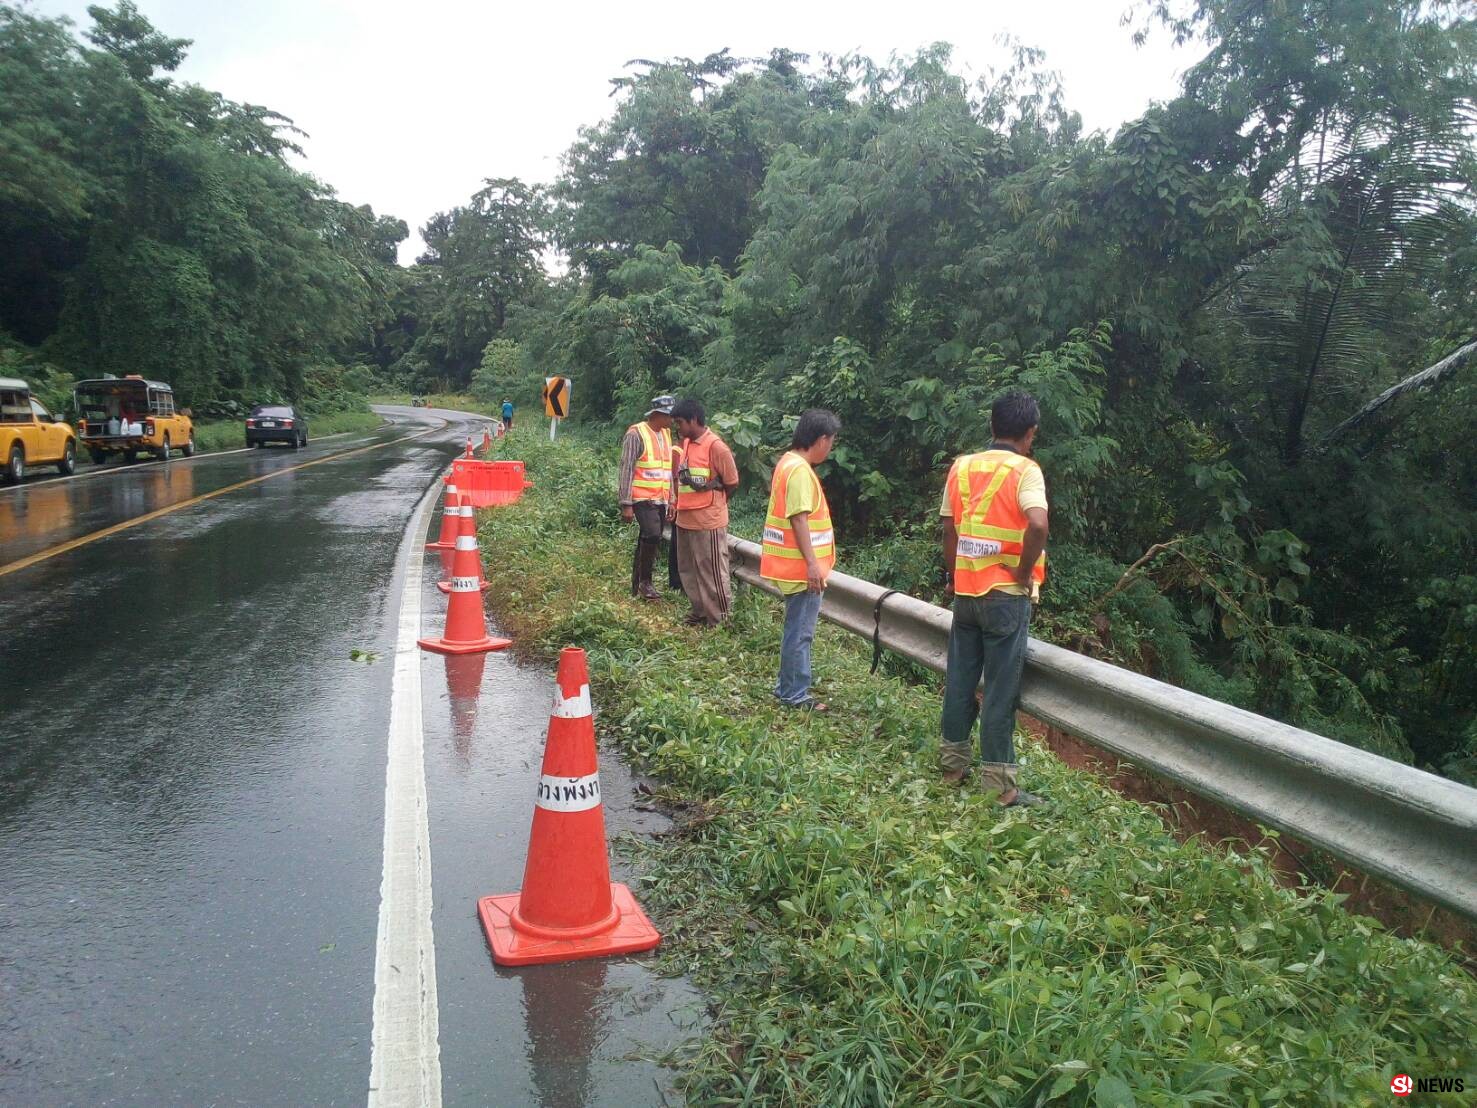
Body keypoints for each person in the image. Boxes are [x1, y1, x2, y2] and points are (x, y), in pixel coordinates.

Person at [938, 390, 1049, 805]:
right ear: (1030, 432)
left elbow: (949, 531)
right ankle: (1000, 789)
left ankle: (952, 766)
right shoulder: (1027, 470)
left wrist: (953, 576)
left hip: (965, 592)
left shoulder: (962, 467)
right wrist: (1022, 573)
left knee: (960, 682)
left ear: (992, 426)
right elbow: (1037, 524)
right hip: (1005, 597)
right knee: (1000, 692)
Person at [760, 409, 841, 710]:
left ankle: (787, 687)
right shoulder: (800, 471)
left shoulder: (787, 462)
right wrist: (812, 565)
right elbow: (799, 519)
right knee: (801, 634)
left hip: (793, 566)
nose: (830, 449)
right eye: (830, 442)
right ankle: (795, 694)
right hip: (801, 569)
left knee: (795, 630)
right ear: (821, 440)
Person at [671, 399, 740, 627]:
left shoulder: (716, 446)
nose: (677, 428)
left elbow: (731, 482)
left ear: (693, 420)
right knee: (688, 570)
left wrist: (716, 504)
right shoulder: (687, 443)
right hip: (685, 519)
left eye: (680, 422)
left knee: (712, 573)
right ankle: (700, 612)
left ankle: (720, 620)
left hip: (707, 521)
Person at [617, 396, 676, 600]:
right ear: (658, 415)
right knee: (652, 535)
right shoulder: (636, 434)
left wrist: (672, 499)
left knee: (647, 539)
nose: (672, 421)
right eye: (669, 416)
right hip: (641, 498)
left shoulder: (666, 435)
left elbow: (668, 470)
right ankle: (646, 582)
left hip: (660, 498)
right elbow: (627, 467)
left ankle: (637, 585)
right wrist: (626, 503)